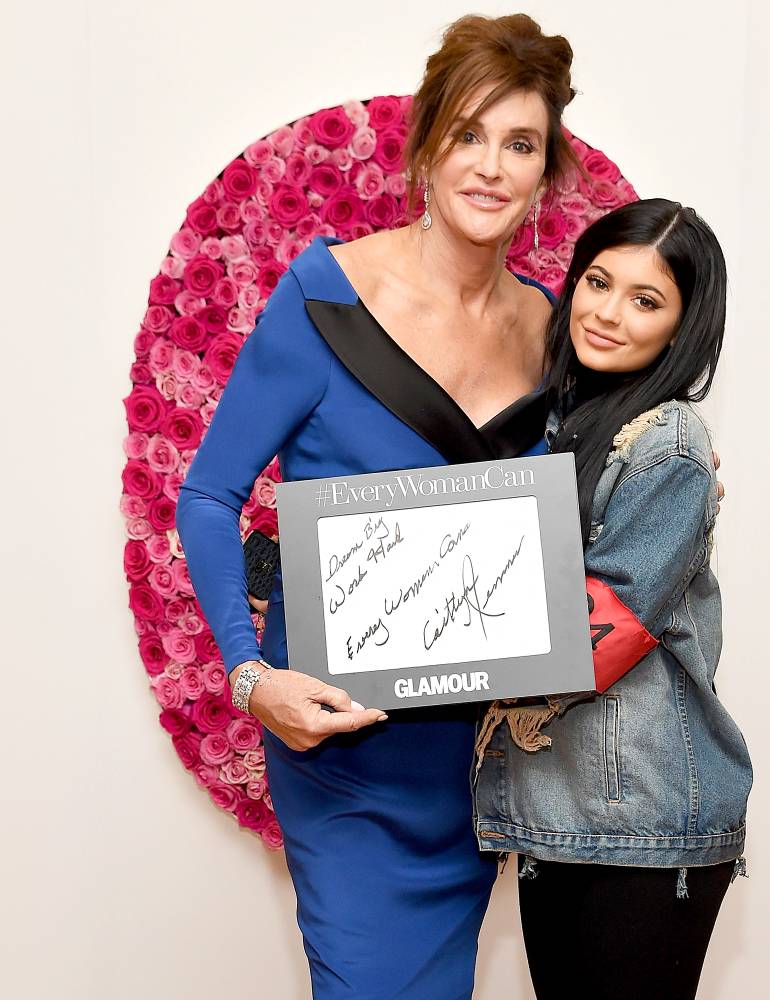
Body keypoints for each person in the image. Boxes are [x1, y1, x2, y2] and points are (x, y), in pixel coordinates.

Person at [176, 14, 580, 999]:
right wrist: (246, 674)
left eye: (519, 143)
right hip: (346, 759)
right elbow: (208, 493)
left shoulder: (552, 325)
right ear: (427, 143)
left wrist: (683, 469)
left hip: (482, 762)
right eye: (470, 134)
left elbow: (577, 503)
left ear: (543, 173)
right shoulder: (323, 298)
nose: (490, 166)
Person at [472, 199, 753, 1000]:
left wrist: (438, 653)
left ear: (683, 326)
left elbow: (606, 630)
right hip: (564, 816)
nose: (608, 312)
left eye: (646, 300)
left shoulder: (667, 442)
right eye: (598, 281)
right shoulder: (562, 425)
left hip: (641, 825)